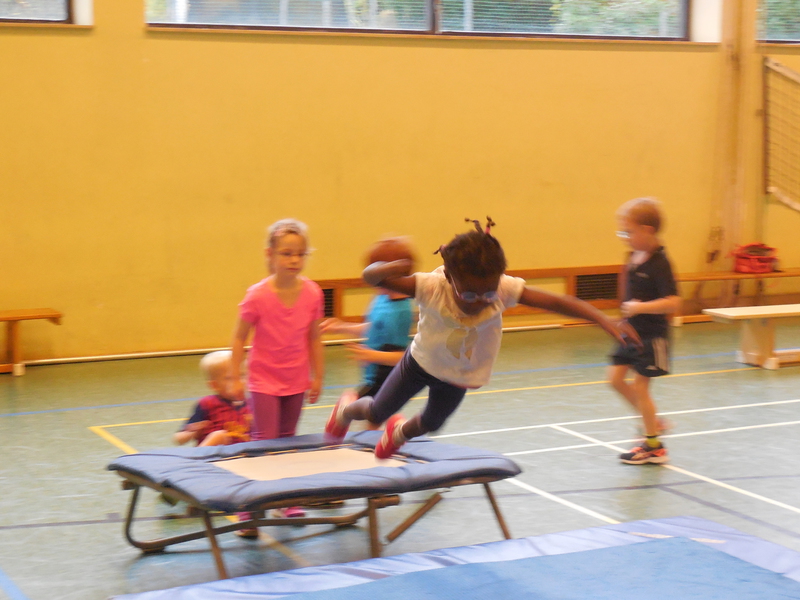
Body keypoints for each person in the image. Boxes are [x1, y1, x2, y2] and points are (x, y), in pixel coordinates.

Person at [325, 217, 640, 459]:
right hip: (419, 364)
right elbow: (371, 276)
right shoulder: (432, 286)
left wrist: (603, 318)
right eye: (469, 294)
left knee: (432, 423)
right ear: (450, 277)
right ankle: (346, 410)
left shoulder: (502, 288)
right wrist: (395, 267)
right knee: (376, 411)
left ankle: (399, 433)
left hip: (458, 375)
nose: (479, 301)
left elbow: (558, 302)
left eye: (487, 293)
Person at [230, 218, 325, 519]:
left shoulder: (312, 293)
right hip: (264, 381)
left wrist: (317, 376)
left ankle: (286, 500)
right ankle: (250, 506)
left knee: (287, 438)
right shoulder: (257, 295)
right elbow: (239, 337)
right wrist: (235, 376)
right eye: (286, 253)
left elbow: (314, 338)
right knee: (265, 440)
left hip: (295, 379)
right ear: (270, 255)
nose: (294, 260)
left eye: (300, 254)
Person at [609, 198, 681, 465]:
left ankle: (654, 447)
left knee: (640, 387)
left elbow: (674, 302)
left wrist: (641, 308)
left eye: (629, 232)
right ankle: (653, 421)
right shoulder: (633, 257)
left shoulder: (660, 263)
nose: (625, 238)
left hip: (652, 336)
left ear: (647, 230)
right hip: (631, 332)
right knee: (615, 380)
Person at [321, 238, 416, 411]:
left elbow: (401, 357)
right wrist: (342, 327)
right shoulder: (381, 298)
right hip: (372, 376)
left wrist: (371, 355)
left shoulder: (401, 311)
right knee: (364, 413)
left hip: (387, 378)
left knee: (367, 414)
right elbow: (374, 328)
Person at [174, 350, 251, 447]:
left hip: (243, 453)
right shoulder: (207, 404)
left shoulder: (252, 404)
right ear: (215, 385)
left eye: (242, 375)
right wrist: (191, 433)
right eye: (230, 378)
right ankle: (198, 454)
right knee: (219, 436)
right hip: (213, 453)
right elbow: (178, 439)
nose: (240, 381)